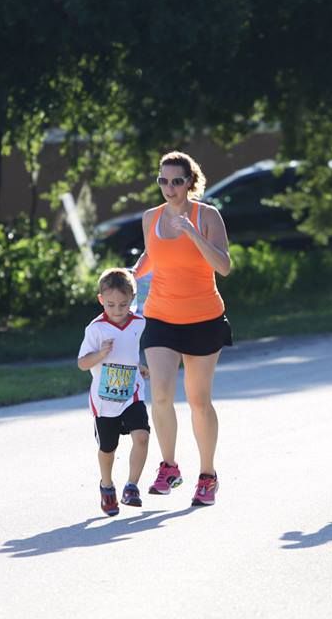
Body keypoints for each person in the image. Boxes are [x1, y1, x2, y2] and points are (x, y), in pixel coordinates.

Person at [132, 151, 232, 506]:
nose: (169, 188)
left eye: (176, 181)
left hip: (204, 318)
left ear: (191, 182)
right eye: (163, 180)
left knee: (198, 401)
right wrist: (132, 274)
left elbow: (223, 266)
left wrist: (193, 234)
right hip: (160, 316)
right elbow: (152, 257)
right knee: (159, 393)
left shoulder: (207, 216)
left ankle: (208, 475)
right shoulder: (150, 218)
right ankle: (169, 466)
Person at [77, 268, 150, 516]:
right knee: (108, 448)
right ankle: (107, 486)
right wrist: (100, 354)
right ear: (101, 300)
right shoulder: (96, 329)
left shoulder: (139, 323)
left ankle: (132, 486)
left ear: (132, 299)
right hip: (105, 399)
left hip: (132, 393)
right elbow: (82, 363)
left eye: (123, 304)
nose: (118, 310)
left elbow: (129, 352)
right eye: (111, 305)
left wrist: (138, 367)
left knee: (142, 436)